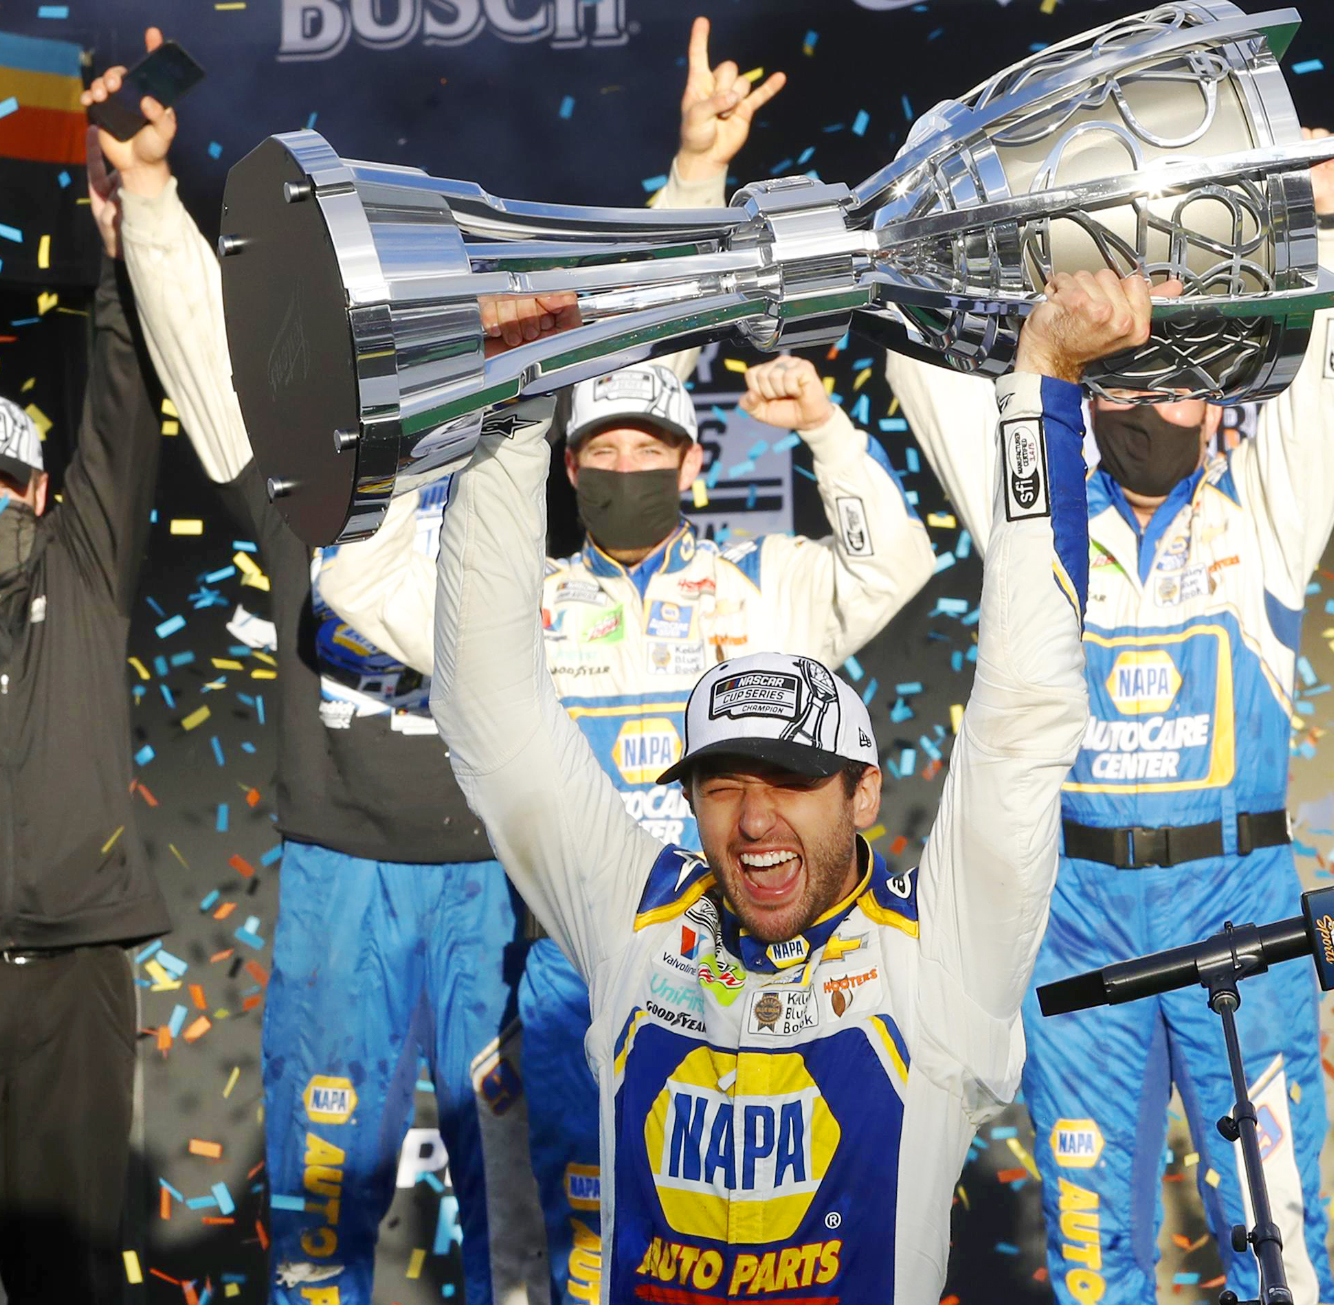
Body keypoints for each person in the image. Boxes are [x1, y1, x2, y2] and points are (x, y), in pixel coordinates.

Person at [427, 265, 1177, 1299]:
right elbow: (491, 715)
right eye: (724, 784)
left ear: (863, 794)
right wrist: (508, 416)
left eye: (792, 778)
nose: (755, 818)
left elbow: (1024, 715)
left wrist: (1040, 386)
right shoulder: (636, 926)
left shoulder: (942, 956)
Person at [87, 29, 548, 1304]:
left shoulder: (525, 463)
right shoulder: (309, 459)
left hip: (495, 879)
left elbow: (643, 340)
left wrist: (684, 175)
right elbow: (192, 333)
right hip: (344, 864)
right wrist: (145, 189)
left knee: (520, 1223)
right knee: (319, 1217)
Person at [321, 345, 934, 1300]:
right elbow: (356, 586)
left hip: (774, 955)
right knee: (597, 1239)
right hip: (593, 966)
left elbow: (897, 559)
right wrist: (428, 448)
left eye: (650, 448)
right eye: (602, 452)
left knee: (787, 1236)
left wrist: (824, 428)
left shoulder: (765, 585)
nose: (624, 470)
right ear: (566, 467)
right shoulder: (525, 608)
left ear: (693, 462)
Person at [887, 134, 1334, 1305]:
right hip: (1076, 924)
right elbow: (930, 384)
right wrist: (918, 200)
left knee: (1277, 1241)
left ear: (1217, 410)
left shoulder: (1264, 510)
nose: (1142, 408)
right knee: (1093, 1255)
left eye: (1171, 388)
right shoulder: (1040, 507)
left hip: (1240, 919)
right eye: (1118, 386)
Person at [0, 121, 172, 1299]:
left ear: (43, 489)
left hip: (71, 969)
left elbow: (119, 405)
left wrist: (125, 261)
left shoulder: (84, 568)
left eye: (4, 486)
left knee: (62, 1275)